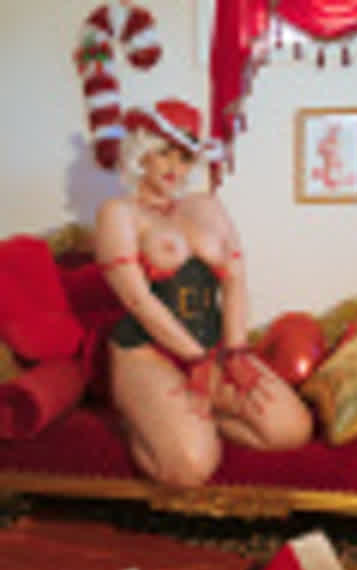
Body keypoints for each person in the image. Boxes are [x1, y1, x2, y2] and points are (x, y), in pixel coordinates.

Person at [75, 4, 312, 488]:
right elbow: (138, 302)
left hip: (214, 349)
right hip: (147, 354)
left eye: (184, 156)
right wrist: (195, 359)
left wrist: (236, 353)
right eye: (163, 152)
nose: (173, 167)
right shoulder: (118, 213)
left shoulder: (205, 205)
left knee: (292, 429)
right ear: (142, 153)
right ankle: (146, 419)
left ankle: (194, 421)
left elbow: (236, 280)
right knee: (189, 468)